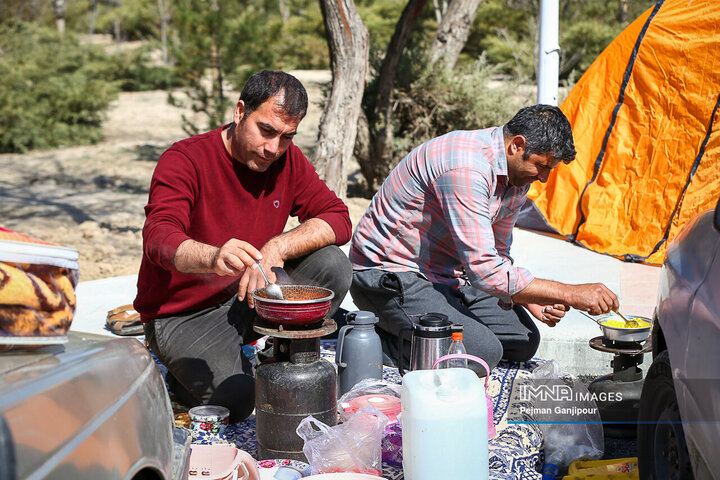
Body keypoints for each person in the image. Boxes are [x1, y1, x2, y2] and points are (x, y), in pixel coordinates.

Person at [134, 70, 353, 422]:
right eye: (266, 131)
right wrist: (215, 256)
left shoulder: (286, 160)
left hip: (248, 297)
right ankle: (181, 380)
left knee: (333, 264)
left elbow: (338, 218)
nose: (273, 148)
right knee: (237, 403)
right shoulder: (185, 159)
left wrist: (277, 248)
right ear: (239, 112)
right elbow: (159, 239)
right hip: (184, 315)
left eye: (286, 137)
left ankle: (277, 356)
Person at [349, 104, 619, 371]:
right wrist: (570, 293)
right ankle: (369, 341)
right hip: (391, 277)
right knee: (482, 352)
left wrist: (525, 295)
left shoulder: (515, 176)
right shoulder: (466, 167)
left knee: (523, 342)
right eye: (542, 166)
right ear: (517, 145)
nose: (545, 178)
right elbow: (486, 272)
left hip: (449, 276)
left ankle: (419, 333)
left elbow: (497, 255)